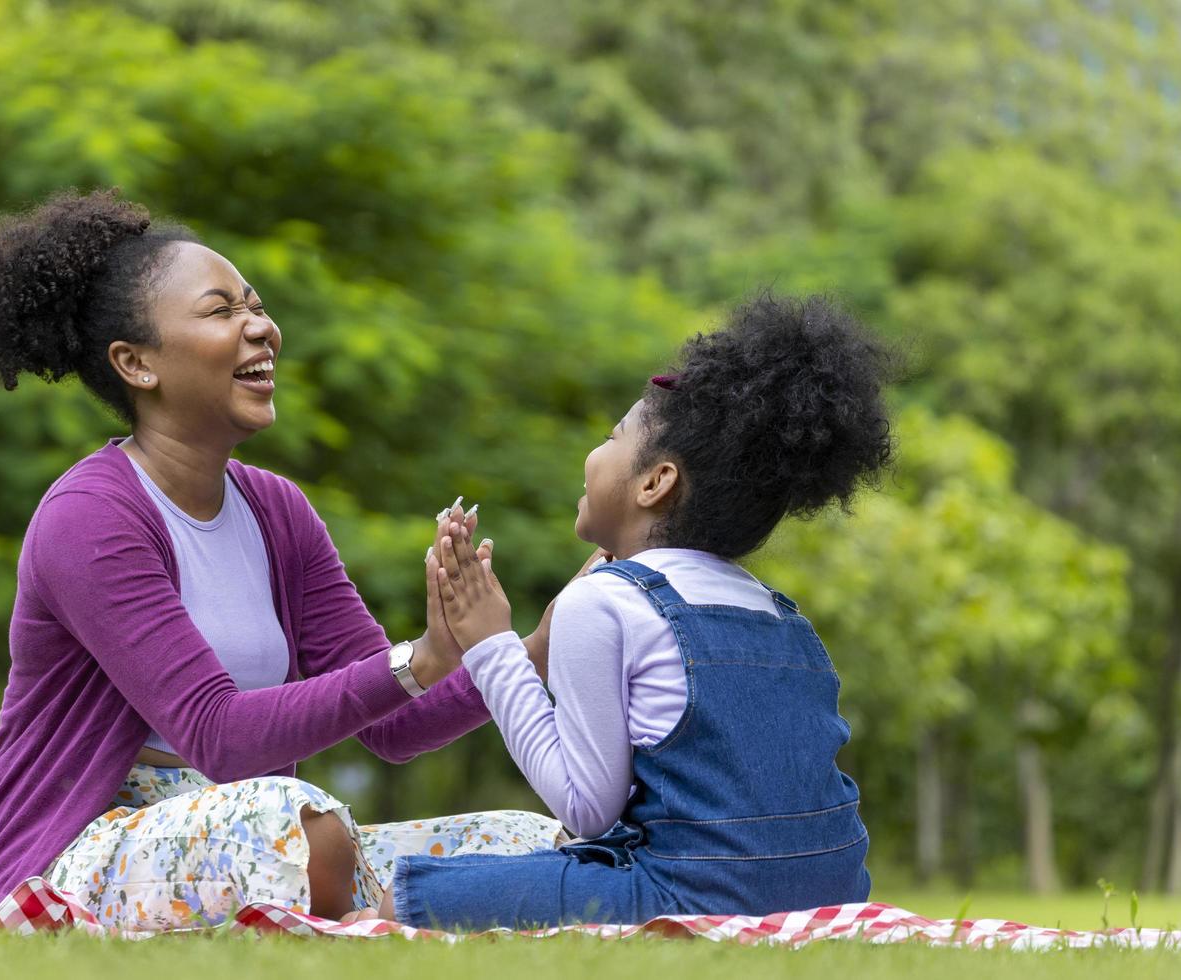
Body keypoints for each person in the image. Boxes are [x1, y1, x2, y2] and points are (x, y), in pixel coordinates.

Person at [0, 187, 565, 928]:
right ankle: (364, 918)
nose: (262, 329)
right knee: (303, 828)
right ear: (136, 363)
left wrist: (542, 646)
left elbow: (397, 728)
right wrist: (421, 658)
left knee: (530, 842)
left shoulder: (277, 510)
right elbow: (221, 734)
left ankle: (363, 916)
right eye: (222, 312)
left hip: (253, 826)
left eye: (257, 307)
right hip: (82, 851)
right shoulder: (91, 517)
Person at [366, 294, 895, 930]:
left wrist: (490, 646)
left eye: (611, 438)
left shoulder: (603, 602)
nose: (593, 454)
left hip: (694, 899)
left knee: (403, 902)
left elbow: (585, 807)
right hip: (833, 895)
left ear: (654, 483)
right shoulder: (780, 613)